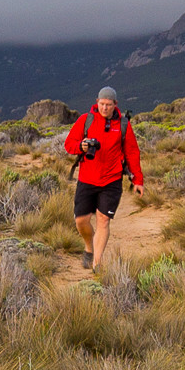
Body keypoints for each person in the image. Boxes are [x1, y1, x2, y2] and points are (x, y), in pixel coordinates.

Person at [62, 87, 142, 270]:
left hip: (111, 181)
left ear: (115, 104)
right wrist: (80, 147)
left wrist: (138, 180)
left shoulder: (122, 125)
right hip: (87, 179)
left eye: (108, 105)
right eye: (102, 104)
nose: (104, 108)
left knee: (103, 220)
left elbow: (132, 152)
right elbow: (68, 144)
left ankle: (97, 264)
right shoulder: (86, 120)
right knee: (81, 221)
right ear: (96, 102)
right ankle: (88, 247)